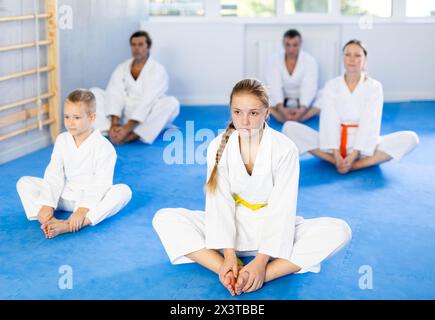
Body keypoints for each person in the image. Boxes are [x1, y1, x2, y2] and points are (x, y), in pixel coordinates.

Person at [152, 79, 351, 296]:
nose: (244, 121)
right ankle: (226, 269)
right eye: (237, 112)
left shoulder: (285, 149)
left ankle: (264, 273)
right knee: (164, 218)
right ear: (231, 111)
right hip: (233, 229)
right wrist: (228, 256)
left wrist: (261, 261)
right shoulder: (218, 146)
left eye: (253, 113)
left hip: (274, 230)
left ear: (267, 113)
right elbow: (219, 203)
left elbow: (282, 207)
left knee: (339, 230)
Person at [282, 40, 419, 174]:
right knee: (289, 127)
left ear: (365, 60)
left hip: (365, 146)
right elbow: (329, 120)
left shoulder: (374, 87)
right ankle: (335, 161)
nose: (352, 59)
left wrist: (354, 154)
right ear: (343, 58)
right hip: (332, 143)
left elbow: (370, 121)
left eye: (357, 55)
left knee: (411, 138)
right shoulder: (332, 85)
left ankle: (355, 166)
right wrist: (336, 154)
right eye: (348, 55)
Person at [16, 89, 132, 238]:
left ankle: (70, 225)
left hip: (92, 199)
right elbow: (54, 173)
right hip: (66, 194)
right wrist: (48, 203)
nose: (70, 122)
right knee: (24, 182)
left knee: (123, 192)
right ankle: (48, 220)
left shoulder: (104, 147)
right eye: (67, 117)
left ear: (92, 117)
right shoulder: (62, 140)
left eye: (76, 117)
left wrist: (83, 209)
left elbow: (101, 183)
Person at [91, 30, 180, 145]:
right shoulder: (122, 67)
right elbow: (114, 92)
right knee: (93, 93)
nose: (136, 48)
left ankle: (132, 136)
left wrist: (127, 128)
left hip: (147, 114)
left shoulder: (157, 70)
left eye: (140, 44)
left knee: (172, 103)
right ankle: (112, 131)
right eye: (133, 45)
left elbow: (148, 99)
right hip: (124, 111)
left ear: (148, 46)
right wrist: (114, 123)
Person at [267, 29, 320, 123]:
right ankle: (283, 117)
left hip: (303, 102)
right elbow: (274, 86)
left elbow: (309, 87)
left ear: (300, 44)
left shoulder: (309, 61)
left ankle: (300, 117)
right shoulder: (274, 60)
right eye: (288, 45)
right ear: (283, 44)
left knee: (324, 96)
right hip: (281, 100)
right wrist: (281, 109)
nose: (291, 49)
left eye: (295, 45)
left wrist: (302, 109)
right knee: (258, 96)